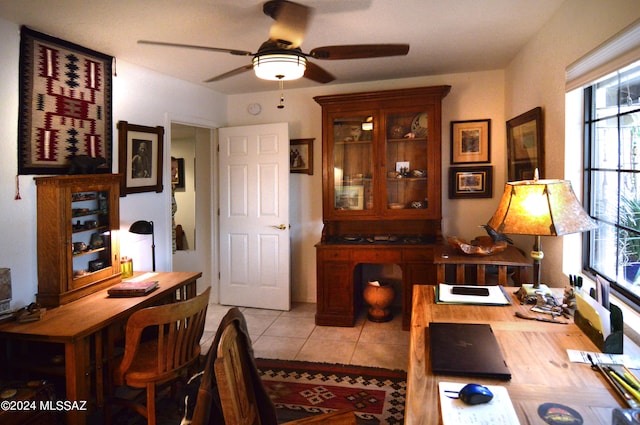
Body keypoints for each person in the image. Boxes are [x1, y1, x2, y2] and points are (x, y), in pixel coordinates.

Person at [171, 156, 178, 253]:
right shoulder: (164, 191)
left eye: (176, 169)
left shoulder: (172, 187)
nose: (175, 172)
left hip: (172, 230)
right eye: (172, 169)